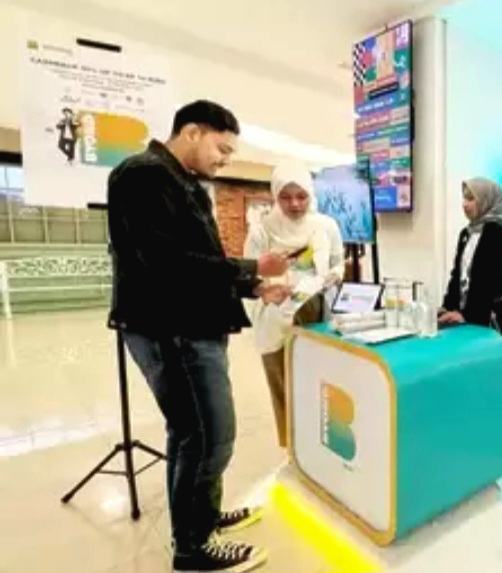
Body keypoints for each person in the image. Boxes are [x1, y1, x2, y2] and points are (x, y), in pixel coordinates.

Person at [107, 100, 289, 573]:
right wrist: (251, 266)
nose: (224, 160)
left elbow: (199, 262)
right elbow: (165, 263)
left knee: (190, 434)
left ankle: (200, 519)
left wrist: (253, 286)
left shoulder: (184, 182)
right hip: (173, 331)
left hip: (194, 326)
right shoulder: (143, 176)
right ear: (192, 132)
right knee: (210, 437)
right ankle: (194, 549)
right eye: (221, 149)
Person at [244, 162, 345, 450]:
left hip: (316, 312)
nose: (295, 204)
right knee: (284, 385)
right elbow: (249, 276)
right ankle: (293, 449)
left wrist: (333, 275)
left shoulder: (325, 226)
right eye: (286, 197)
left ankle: (321, 447)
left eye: (301, 196)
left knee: (320, 383)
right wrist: (268, 292)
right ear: (275, 196)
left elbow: (338, 262)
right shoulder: (262, 231)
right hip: (276, 317)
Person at [439, 177, 502, 340]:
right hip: (464, 320)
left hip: (487, 321)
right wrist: (446, 308)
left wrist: (467, 315)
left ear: (486, 201)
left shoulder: (496, 233)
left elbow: (488, 281)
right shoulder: (466, 233)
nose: (464, 204)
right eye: (464, 198)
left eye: (471, 199)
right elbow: (457, 275)